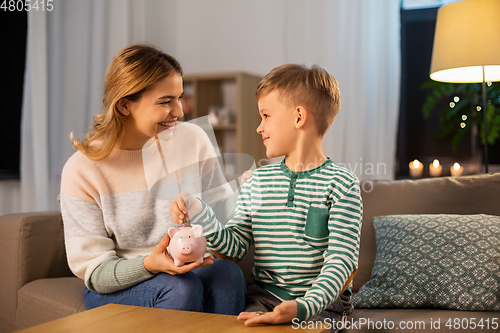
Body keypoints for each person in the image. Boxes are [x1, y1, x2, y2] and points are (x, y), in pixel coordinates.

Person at [170, 64, 363, 328]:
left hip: (322, 303)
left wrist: (303, 307)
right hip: (264, 298)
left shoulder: (342, 183)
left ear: (298, 117)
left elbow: (342, 261)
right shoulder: (258, 181)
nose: (259, 128)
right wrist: (199, 211)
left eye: (266, 115)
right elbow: (234, 247)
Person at [60, 43, 247, 315]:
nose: (180, 111)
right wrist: (150, 263)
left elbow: (221, 219)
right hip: (122, 281)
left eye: (180, 98)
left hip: (187, 269)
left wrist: (246, 192)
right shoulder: (82, 170)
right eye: (165, 102)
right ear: (124, 105)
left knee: (227, 274)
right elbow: (96, 272)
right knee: (180, 287)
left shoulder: (193, 140)